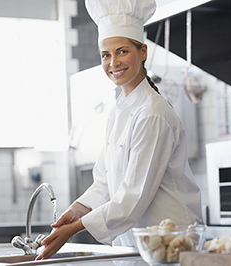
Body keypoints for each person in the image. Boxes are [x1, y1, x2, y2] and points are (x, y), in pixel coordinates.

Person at [36, 0, 203, 260]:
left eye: (122, 51)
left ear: (143, 52)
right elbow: (105, 180)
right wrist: (78, 209)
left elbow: (132, 197)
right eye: (106, 55)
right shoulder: (119, 111)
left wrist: (74, 229)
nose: (113, 62)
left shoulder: (153, 114)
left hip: (171, 243)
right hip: (139, 245)